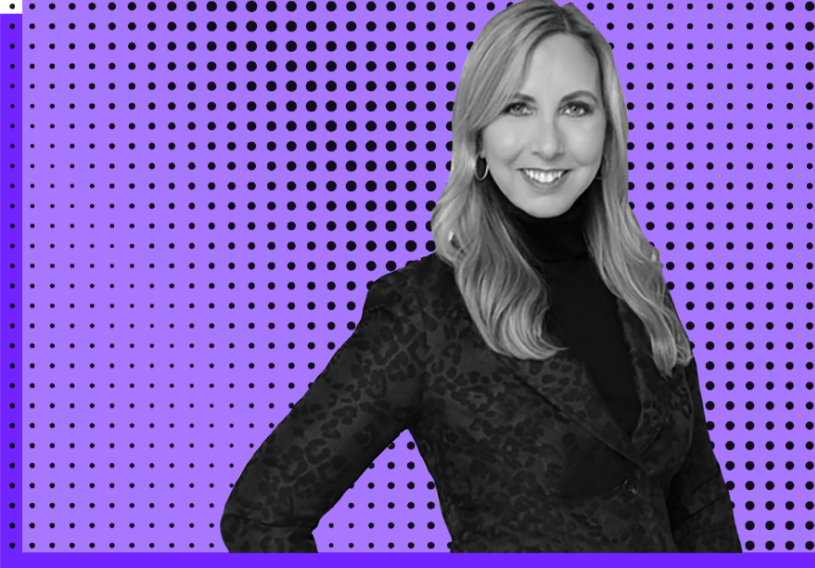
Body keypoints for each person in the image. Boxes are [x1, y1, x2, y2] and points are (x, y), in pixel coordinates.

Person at [220, 0, 742, 553]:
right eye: (518, 107)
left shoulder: (640, 288)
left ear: (608, 133)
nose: (549, 144)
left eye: (576, 108)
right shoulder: (423, 312)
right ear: (478, 136)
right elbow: (261, 516)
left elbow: (699, 505)